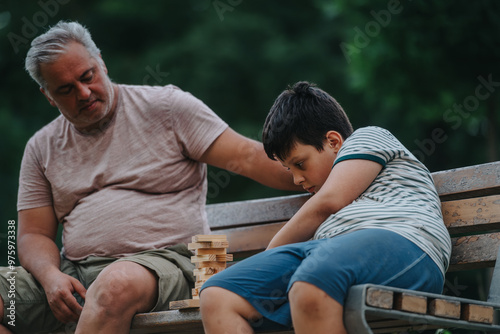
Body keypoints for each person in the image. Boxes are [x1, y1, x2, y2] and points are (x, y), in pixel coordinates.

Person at [0, 21, 300, 334]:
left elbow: (249, 158)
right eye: (65, 90)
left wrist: (334, 170)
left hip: (168, 264)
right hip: (74, 273)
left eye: (87, 77)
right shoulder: (41, 147)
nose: (84, 93)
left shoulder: (167, 108)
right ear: (48, 96)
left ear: (100, 61)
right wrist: (50, 277)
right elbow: (33, 234)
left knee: (115, 285)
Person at [200, 81, 452, 333]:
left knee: (311, 282)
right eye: (289, 169)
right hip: (329, 260)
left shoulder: (368, 138)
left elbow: (329, 201)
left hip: (405, 243)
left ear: (333, 141)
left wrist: (269, 257)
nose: (297, 179)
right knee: (217, 295)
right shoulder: (323, 202)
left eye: (300, 164)